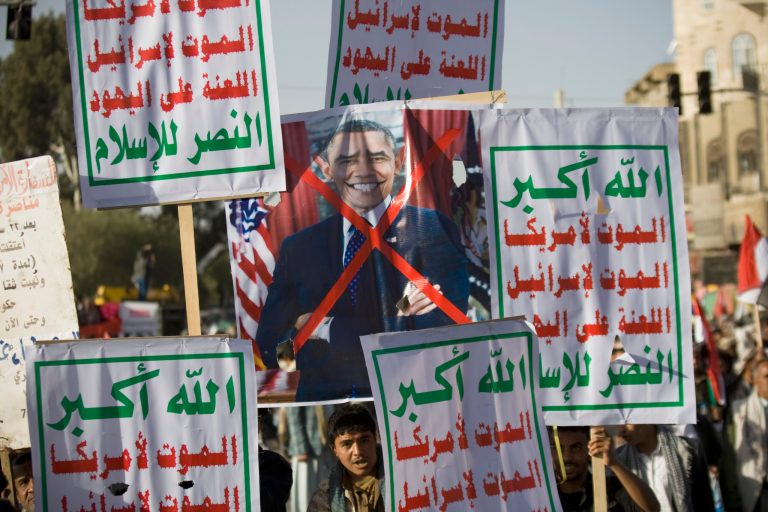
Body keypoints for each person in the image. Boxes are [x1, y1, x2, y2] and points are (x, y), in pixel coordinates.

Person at [256, 119, 469, 401]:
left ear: (398, 161)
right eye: (347, 160)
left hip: (411, 401)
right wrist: (397, 314)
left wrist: (319, 327)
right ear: (326, 169)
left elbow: (446, 332)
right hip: (326, 409)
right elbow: (273, 351)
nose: (363, 170)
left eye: (377, 157)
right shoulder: (299, 248)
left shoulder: (433, 231)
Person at [550, 426, 659, 512]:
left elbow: (652, 509)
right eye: (558, 448)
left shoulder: (611, 488)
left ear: (590, 449)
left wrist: (613, 463)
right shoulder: (539, 494)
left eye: (576, 448)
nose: (566, 457)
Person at [614, 423, 715, 512]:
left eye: (628, 421)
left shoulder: (686, 450)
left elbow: (704, 501)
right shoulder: (618, 461)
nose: (621, 429)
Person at [308, 403, 384, 512]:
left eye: (364, 440)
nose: (358, 452)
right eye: (347, 444)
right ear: (334, 449)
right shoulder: (325, 497)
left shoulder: (402, 480)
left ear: (375, 438)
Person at [721, 359, 768, 512]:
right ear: (755, 380)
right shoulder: (739, 411)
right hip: (755, 490)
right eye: (766, 376)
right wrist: (733, 497)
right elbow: (731, 456)